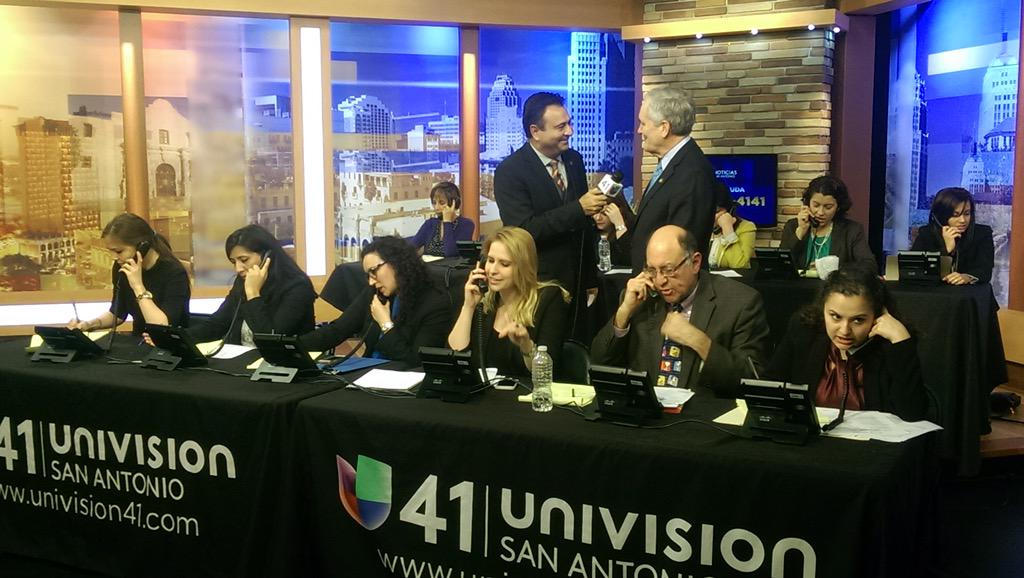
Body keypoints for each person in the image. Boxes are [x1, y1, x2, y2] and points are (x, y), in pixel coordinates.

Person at [591, 225, 771, 395]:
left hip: (704, 412)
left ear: (695, 262)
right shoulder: (640, 297)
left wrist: (699, 341)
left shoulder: (740, 302)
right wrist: (624, 313)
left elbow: (751, 381)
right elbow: (599, 363)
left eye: (668, 270)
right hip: (646, 410)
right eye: (652, 270)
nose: (660, 281)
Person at [493, 91, 604, 338]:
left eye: (569, 123)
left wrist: (590, 278)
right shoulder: (510, 171)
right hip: (539, 285)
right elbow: (524, 230)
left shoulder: (574, 160)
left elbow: (582, 227)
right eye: (561, 127)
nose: (570, 132)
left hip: (578, 283)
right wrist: (578, 209)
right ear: (535, 131)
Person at [766, 266, 929, 421]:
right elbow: (770, 389)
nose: (844, 331)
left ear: (877, 315)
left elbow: (912, 414)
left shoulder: (891, 344)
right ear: (823, 309)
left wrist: (901, 341)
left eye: (858, 320)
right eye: (835, 317)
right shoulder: (805, 331)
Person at [299, 236, 451, 367]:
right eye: (368, 275)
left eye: (374, 271)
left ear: (397, 263)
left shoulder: (434, 302)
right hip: (369, 372)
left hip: (405, 381)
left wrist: (385, 324)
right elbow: (338, 330)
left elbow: (415, 361)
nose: (371, 282)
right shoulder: (376, 293)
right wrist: (294, 346)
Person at [616, 86, 716, 273]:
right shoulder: (673, 164)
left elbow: (680, 247)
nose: (639, 130)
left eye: (643, 123)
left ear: (664, 128)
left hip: (667, 286)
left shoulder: (691, 173)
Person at [448, 226, 571, 378]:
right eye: (490, 260)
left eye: (504, 264)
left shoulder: (549, 298)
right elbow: (456, 356)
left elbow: (548, 372)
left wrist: (526, 345)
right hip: (483, 391)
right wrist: (468, 307)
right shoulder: (484, 300)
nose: (493, 270)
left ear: (523, 267)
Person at [188, 224, 316, 345]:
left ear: (267, 256)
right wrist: (183, 339)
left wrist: (253, 294)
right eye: (234, 262)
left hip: (279, 359)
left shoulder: (297, 286)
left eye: (244, 260)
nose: (238, 269)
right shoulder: (242, 281)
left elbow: (271, 339)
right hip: (242, 357)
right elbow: (217, 324)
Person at [69, 213, 190, 335]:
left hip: (168, 342)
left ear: (142, 246)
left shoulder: (174, 273)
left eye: (119, 251)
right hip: (138, 340)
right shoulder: (122, 267)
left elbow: (163, 326)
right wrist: (89, 324)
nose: (114, 257)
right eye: (111, 251)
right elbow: (117, 314)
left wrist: (138, 286)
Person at [780, 175, 876, 272]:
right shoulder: (793, 226)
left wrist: (830, 268)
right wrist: (801, 231)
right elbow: (780, 264)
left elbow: (869, 265)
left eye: (828, 207)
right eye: (816, 205)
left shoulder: (852, 230)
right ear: (808, 203)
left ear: (838, 207)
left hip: (836, 282)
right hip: (799, 282)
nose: (820, 212)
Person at [910, 187, 994, 285]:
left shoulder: (982, 233)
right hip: (934, 291)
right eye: (955, 215)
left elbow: (985, 270)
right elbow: (914, 269)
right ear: (942, 215)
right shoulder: (927, 233)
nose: (963, 220)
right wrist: (946, 249)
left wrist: (967, 277)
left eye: (967, 214)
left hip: (968, 292)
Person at [408, 181, 476, 258]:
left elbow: (450, 253)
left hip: (451, 266)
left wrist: (447, 222)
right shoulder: (430, 224)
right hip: (429, 265)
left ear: (454, 203)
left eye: (442, 203)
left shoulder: (466, 225)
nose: (436, 207)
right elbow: (410, 249)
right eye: (434, 203)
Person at [708, 182, 756, 269]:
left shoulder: (746, 227)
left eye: (716, 212)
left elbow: (739, 265)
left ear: (730, 210)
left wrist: (728, 231)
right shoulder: (698, 227)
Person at [591, 194, 634, 268]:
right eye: (595, 213)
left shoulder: (632, 227)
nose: (598, 218)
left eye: (604, 214)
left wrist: (619, 223)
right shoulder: (590, 232)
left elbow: (629, 259)